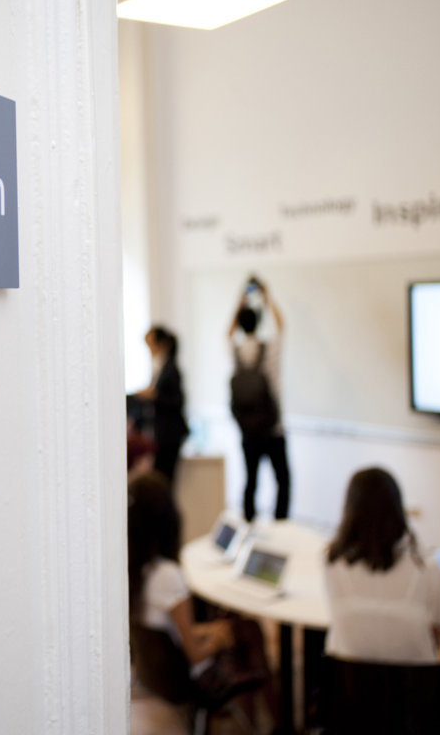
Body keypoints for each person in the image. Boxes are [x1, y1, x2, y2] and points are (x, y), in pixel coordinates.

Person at [128, 474, 271, 721]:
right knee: (248, 631)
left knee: (234, 624)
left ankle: (259, 718)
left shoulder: (135, 571)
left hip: (159, 673)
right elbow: (195, 654)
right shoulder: (168, 576)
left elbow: (172, 630)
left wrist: (213, 631)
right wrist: (220, 639)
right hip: (187, 679)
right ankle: (273, 718)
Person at [323, 467, 440, 664]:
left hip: (347, 680)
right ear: (398, 509)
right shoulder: (424, 567)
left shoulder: (332, 563)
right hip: (415, 681)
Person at [228, 277, 290, 522]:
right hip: (273, 428)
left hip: (247, 430)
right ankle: (280, 524)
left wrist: (240, 300)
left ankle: (248, 523)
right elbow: (281, 327)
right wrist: (267, 297)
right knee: (282, 480)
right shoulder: (268, 349)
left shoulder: (236, 351)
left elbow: (227, 334)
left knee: (250, 481)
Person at [132, 325, 190, 486]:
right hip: (162, 433)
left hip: (169, 434)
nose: (149, 349)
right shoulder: (160, 367)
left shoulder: (171, 369)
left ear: (161, 344)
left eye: (151, 344)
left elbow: (177, 401)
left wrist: (154, 396)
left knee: (164, 480)